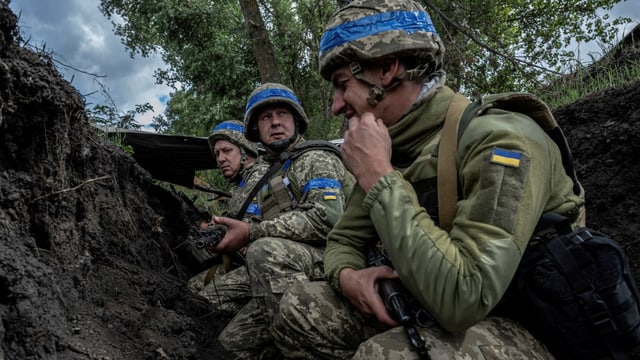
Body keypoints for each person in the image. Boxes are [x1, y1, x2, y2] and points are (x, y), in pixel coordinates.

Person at [272, 0, 586, 359]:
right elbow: (343, 239)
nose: (336, 106)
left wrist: (380, 177)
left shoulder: (501, 140)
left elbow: (463, 298)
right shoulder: (393, 144)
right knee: (300, 306)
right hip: (435, 306)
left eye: (343, 84)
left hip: (532, 328)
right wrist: (347, 276)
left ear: (387, 69)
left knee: (384, 355)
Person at [209, 83, 353, 359]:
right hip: (296, 264)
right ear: (255, 131)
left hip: (340, 259)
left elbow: (328, 218)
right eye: (266, 117)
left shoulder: (314, 158)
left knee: (266, 252)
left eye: (282, 114)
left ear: (296, 120)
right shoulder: (274, 173)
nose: (275, 122)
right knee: (230, 344)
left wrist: (253, 233)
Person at [187, 119, 266, 316]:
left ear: (245, 151)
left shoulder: (261, 179)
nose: (220, 159)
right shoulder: (241, 186)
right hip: (241, 262)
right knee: (191, 288)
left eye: (227, 151)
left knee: (204, 302)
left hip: (264, 265)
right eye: (217, 153)